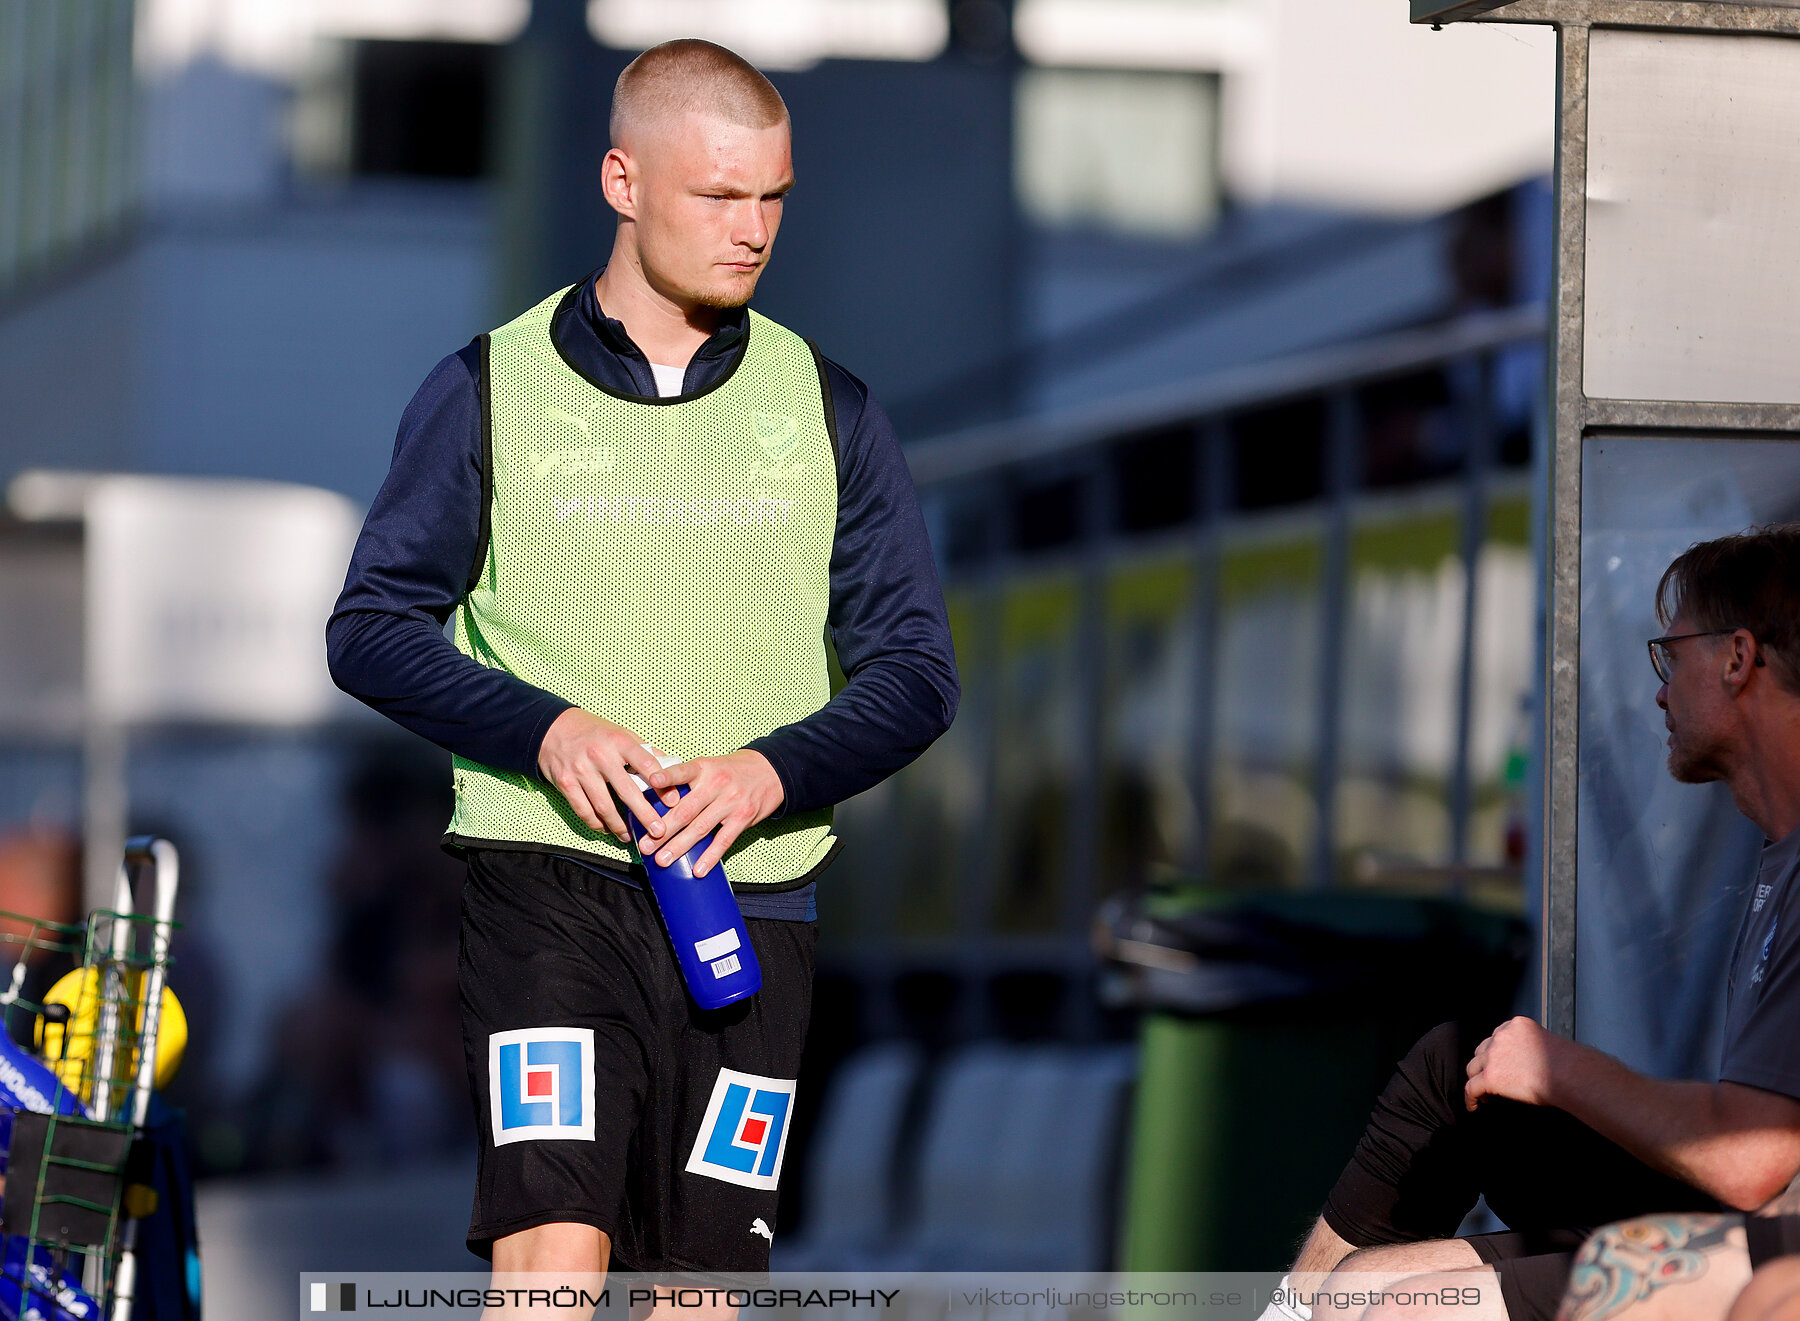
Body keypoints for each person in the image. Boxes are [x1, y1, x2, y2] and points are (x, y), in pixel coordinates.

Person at [326, 38, 958, 1282]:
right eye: (719, 196)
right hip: (546, 881)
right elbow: (372, 626)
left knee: (701, 1282)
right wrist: (547, 730)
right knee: (552, 1250)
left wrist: (770, 773)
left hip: (751, 906)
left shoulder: (827, 408)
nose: (754, 228)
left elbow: (915, 672)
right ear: (622, 182)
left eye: (773, 196)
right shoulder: (489, 387)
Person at [1256, 527, 1800, 1321]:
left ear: (1737, 658)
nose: (1659, 691)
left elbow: (1748, 1155)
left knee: (1404, 1309)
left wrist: (1557, 1068)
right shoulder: (1777, 853)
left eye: (1669, 656)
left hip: (1765, 1245)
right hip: (1743, 1224)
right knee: (1368, 1257)